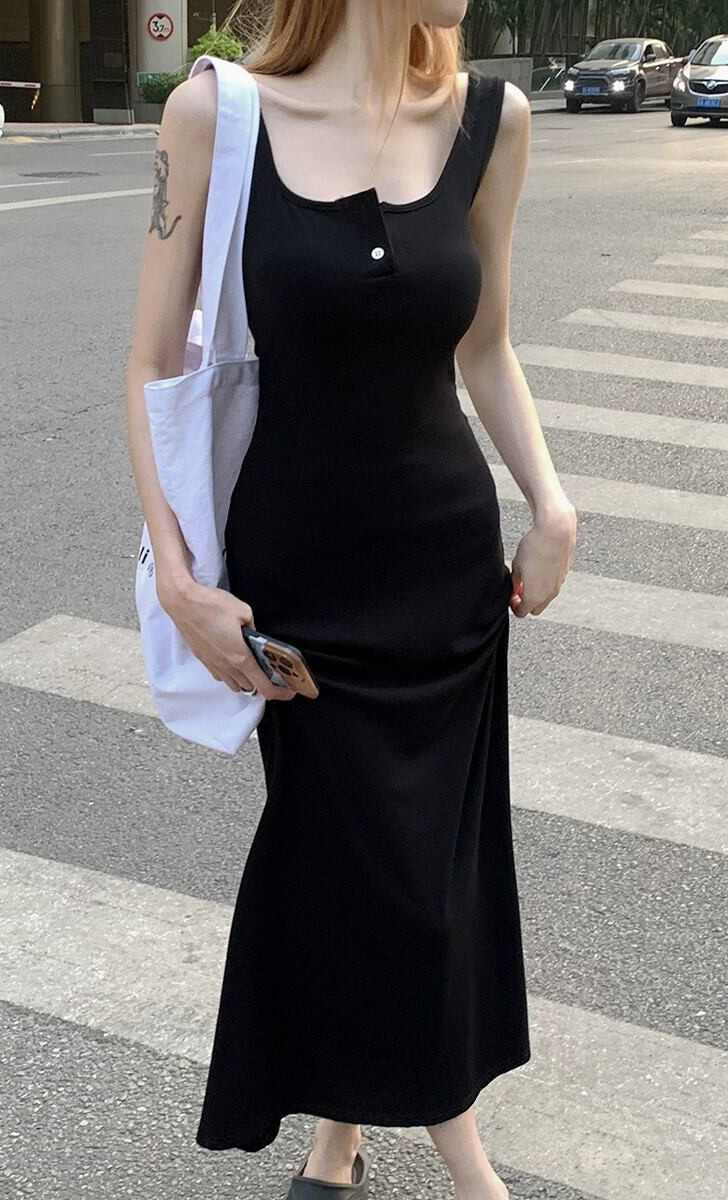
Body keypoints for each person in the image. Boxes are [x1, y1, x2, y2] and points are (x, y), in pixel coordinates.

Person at [124, 2, 577, 1197]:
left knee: (426, 873)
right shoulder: (214, 117)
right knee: (359, 871)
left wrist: (550, 503)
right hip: (299, 582)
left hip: (443, 576)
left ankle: (338, 1142)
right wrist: (179, 582)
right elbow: (153, 361)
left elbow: (485, 346)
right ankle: (468, 1168)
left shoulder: (491, 120)